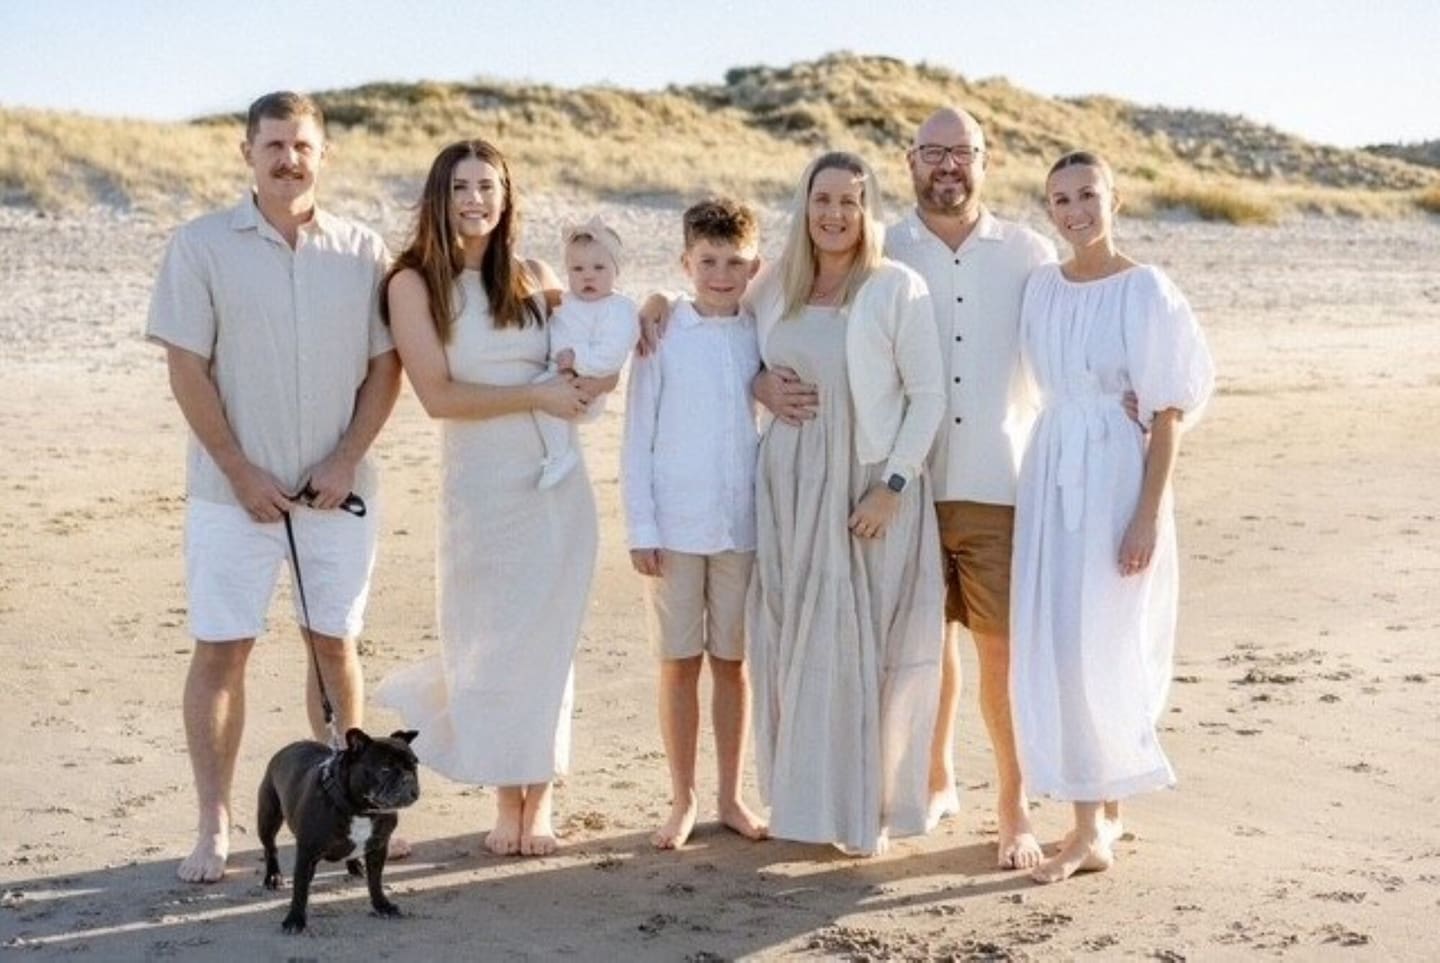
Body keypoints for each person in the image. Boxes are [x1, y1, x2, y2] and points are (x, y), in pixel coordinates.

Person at [756, 106, 1058, 869]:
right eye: (932, 152)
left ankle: (1013, 808)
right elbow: (735, 313)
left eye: (962, 152)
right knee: (920, 645)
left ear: (986, 159)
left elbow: (1070, 325)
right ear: (911, 160)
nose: (947, 165)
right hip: (891, 481)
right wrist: (753, 375)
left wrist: (1124, 398)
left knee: (998, 653)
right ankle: (930, 778)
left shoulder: (1026, 250)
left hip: (989, 477)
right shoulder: (887, 246)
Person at [146, 91, 401, 883]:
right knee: (224, 648)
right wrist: (238, 468)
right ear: (247, 151)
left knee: (333, 646)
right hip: (232, 495)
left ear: (323, 154)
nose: (290, 158)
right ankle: (214, 824)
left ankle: (346, 810)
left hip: (335, 492)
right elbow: (185, 365)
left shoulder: (363, 250)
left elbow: (386, 366)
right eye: (275, 144)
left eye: (303, 145)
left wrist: (346, 456)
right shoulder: (201, 245)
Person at [373, 139, 612, 857]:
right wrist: (534, 392)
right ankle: (501, 789)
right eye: (460, 187)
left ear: (506, 197)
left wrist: (634, 328)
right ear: (438, 198)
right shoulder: (413, 283)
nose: (475, 199)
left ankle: (533, 801)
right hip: (481, 495)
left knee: (546, 648)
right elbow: (439, 396)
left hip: (556, 486)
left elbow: (597, 337)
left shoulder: (537, 277)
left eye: (488, 186)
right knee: (488, 648)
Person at [1010, 150, 1214, 884]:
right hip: (1052, 471)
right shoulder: (1040, 287)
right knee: (1061, 638)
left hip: (1117, 481)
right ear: (1049, 210)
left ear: (1114, 199)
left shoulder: (1147, 289)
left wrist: (1146, 515)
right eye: (1060, 199)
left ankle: (1090, 826)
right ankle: (1099, 811)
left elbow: (1167, 410)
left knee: (1105, 638)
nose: (1075, 211)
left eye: (1087, 195)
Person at [746, 151, 945, 855]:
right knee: (795, 640)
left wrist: (892, 486)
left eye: (850, 202)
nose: (834, 214)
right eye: (822, 199)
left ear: (869, 212)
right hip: (790, 483)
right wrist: (760, 385)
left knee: (866, 650)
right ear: (803, 206)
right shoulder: (776, 286)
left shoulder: (896, 287)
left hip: (866, 485)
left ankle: (863, 810)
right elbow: (712, 327)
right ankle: (803, 804)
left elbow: (928, 397)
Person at [621, 197, 768, 850]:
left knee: (733, 662)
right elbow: (636, 434)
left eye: (735, 262)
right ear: (686, 262)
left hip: (743, 526)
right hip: (673, 528)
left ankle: (731, 794)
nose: (721, 274)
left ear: (753, 266)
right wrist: (640, 526)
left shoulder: (762, 329)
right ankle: (681, 797)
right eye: (707, 261)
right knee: (678, 661)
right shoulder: (662, 329)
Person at [534, 217, 639, 490]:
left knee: (541, 395)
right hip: (560, 375)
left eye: (599, 267)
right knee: (539, 393)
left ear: (617, 270)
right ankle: (557, 451)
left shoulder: (619, 308)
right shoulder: (566, 302)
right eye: (577, 269)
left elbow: (613, 355)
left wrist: (577, 359)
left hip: (587, 387)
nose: (588, 275)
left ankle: (559, 455)